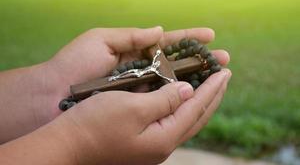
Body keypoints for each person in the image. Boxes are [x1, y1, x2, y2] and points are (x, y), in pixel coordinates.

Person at [0, 27, 231, 165]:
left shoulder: (162, 66)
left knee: (140, 73)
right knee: (134, 74)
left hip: (149, 71)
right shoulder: (150, 65)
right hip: (136, 73)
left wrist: (44, 88)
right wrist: (77, 143)